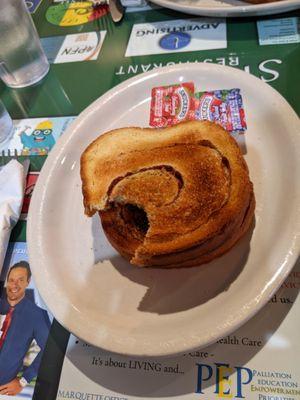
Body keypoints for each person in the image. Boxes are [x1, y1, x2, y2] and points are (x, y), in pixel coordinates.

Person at [0, 261, 51, 396]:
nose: (14, 285)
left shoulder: (37, 314)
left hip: (3, 389)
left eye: (20, 280)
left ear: (28, 282)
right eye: (11, 280)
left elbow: (50, 349)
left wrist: (23, 381)